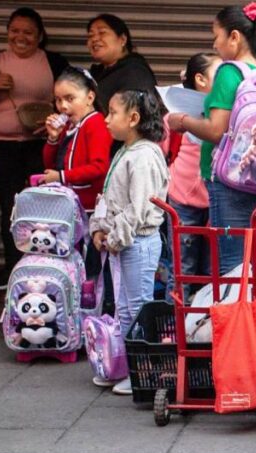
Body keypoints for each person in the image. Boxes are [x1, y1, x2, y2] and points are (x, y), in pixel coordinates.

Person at [167, 3, 256, 290]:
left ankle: (236, 335)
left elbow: (217, 130)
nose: (214, 44)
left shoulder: (229, 72)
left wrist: (181, 121)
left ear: (234, 37)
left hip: (233, 182)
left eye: (216, 35)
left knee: (233, 265)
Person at [0, 7, 70, 291]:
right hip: (3, 146)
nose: (20, 36)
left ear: (39, 36)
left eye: (28, 32)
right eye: (15, 30)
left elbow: (73, 100)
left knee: (43, 205)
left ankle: (45, 263)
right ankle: (12, 266)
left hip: (42, 146)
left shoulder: (54, 62)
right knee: (9, 207)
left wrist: (54, 121)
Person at [89, 89, 169, 395]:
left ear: (133, 119)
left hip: (139, 242)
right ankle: (129, 367)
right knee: (124, 307)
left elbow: (138, 209)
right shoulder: (126, 151)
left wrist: (114, 236)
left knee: (138, 307)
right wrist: (100, 228)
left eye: (112, 113)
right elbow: (112, 198)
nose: (107, 120)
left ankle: (146, 371)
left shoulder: (145, 156)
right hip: (125, 243)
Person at [165, 54, 219, 293]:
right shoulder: (175, 117)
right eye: (221, 76)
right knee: (182, 271)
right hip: (182, 201)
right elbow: (159, 154)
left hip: (216, 203)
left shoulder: (226, 117)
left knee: (213, 273)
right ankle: (175, 328)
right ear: (200, 80)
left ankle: (205, 327)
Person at [41, 68, 111, 211]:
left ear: (90, 98)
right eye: (58, 100)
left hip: (89, 208)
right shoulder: (68, 126)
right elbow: (51, 165)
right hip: (69, 205)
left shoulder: (96, 123)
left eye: (70, 99)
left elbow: (99, 167)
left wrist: (61, 177)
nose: (63, 106)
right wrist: (53, 138)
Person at [86, 14, 158, 127]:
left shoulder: (136, 73)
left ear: (123, 39)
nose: (94, 39)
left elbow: (135, 117)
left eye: (102, 33)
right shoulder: (95, 74)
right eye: (90, 35)